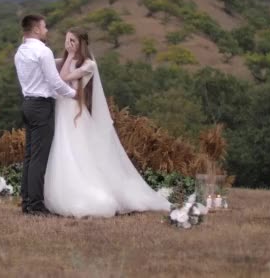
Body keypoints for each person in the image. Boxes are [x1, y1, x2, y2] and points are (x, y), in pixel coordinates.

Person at [43, 27, 171, 218]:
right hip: (62, 110)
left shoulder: (88, 64)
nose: (68, 44)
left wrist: (69, 56)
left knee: (76, 147)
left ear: (81, 44)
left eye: (73, 41)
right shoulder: (66, 60)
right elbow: (50, 69)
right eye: (67, 40)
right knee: (63, 146)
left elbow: (63, 79)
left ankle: (87, 188)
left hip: (73, 109)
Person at [13, 14, 77, 215]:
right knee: (39, 159)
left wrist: (68, 57)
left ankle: (27, 203)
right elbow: (55, 82)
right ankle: (36, 206)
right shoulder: (43, 51)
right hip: (42, 107)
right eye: (44, 27)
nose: (47, 30)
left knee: (31, 157)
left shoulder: (21, 51)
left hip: (28, 105)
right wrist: (76, 95)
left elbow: (45, 68)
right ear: (36, 30)